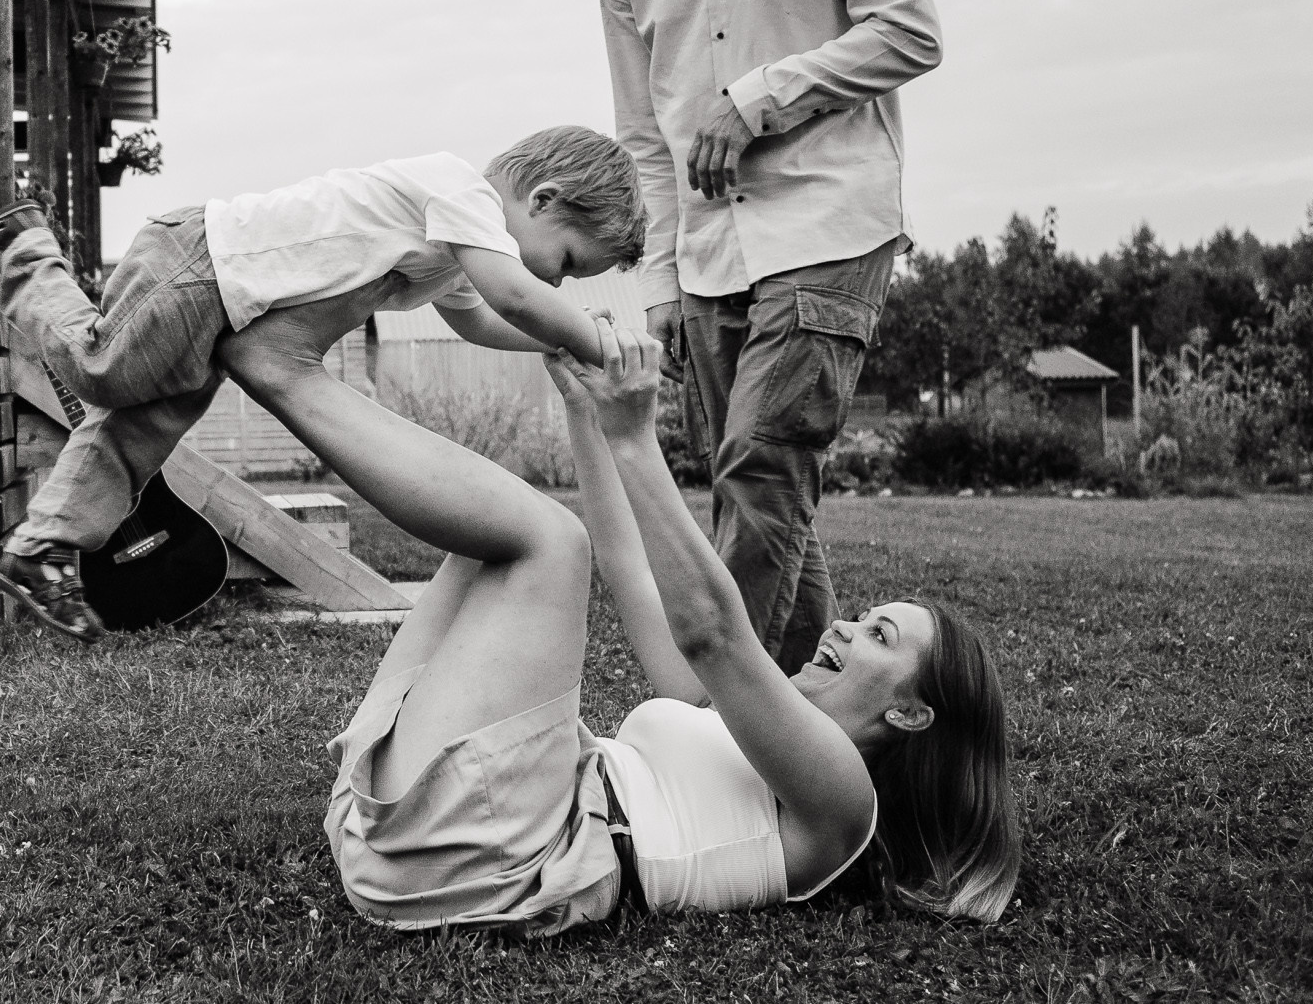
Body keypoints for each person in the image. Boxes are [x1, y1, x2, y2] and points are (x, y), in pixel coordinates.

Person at [215, 289, 1018, 934]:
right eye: (864, 614)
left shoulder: (843, 805)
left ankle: (283, 370)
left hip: (494, 852)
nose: (843, 624)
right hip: (411, 831)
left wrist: (638, 437)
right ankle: (284, 365)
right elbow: (627, 563)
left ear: (912, 713)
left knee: (545, 539)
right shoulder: (731, 722)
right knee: (487, 532)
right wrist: (588, 413)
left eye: (879, 633)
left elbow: (713, 632)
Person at [0, 126, 646, 642]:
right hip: (203, 260)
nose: (559, 284)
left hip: (228, 304)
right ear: (544, 199)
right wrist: (601, 343)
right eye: (569, 262)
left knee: (140, 432)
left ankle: (41, 546)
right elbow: (514, 296)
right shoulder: (460, 191)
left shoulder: (456, 254)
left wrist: (561, 347)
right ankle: (23, 247)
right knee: (100, 369)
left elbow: (483, 321)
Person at [599, 0, 944, 674]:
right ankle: (821, 737)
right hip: (708, 255)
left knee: (758, 474)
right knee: (759, 488)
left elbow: (909, 31)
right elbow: (643, 137)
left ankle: (708, 723)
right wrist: (660, 282)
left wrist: (757, 99)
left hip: (830, 221)